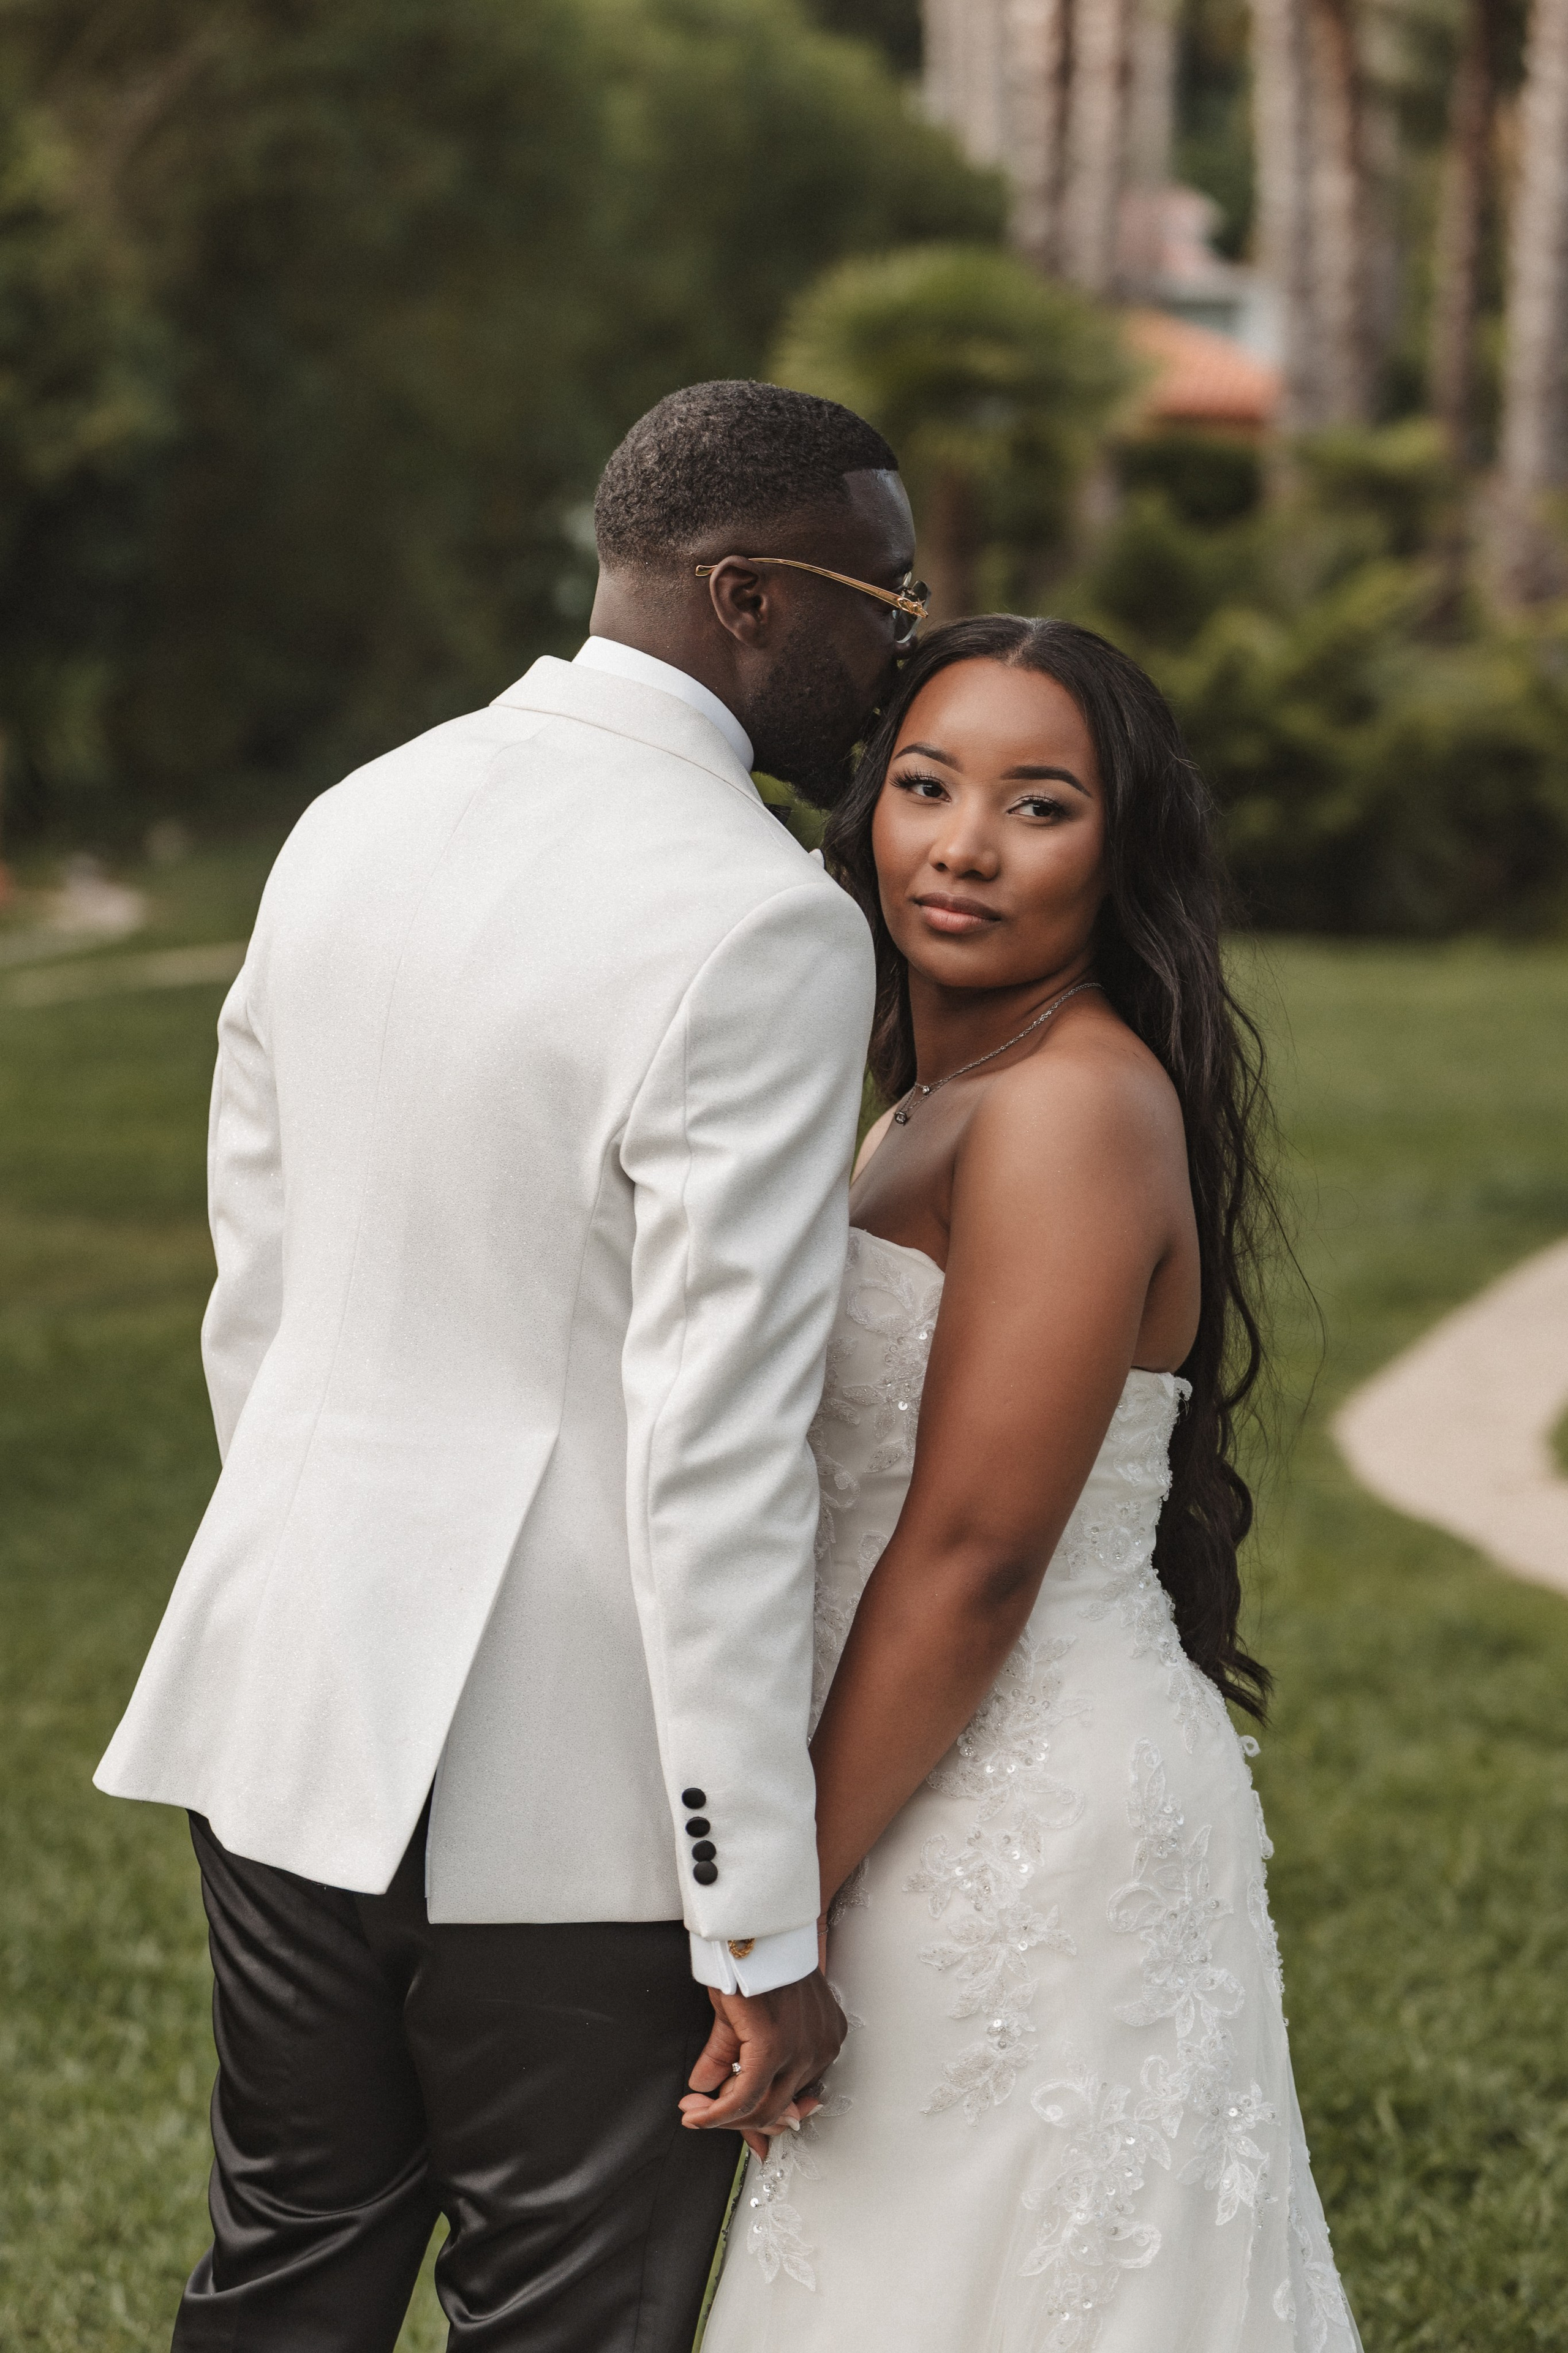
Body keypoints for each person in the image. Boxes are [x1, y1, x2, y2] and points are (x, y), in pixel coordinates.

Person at [92, 378, 925, 2353]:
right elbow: (715, 1455)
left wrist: (339, 1571)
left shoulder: (355, 815)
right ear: (746, 596)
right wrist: (755, 1916)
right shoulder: (763, 927)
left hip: (289, 1701)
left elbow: (260, 1287)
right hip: (577, 1786)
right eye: (879, 600)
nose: (901, 649)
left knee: (287, 2269)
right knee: (567, 2312)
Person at [700, 616, 1363, 2352]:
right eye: (925, 785)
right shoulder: (937, 1095)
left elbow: (982, 1550)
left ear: (1119, 849)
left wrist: (773, 1904)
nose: (965, 845)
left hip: (1018, 1807)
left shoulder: (1071, 1105)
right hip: (923, 1775)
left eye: (1038, 803)